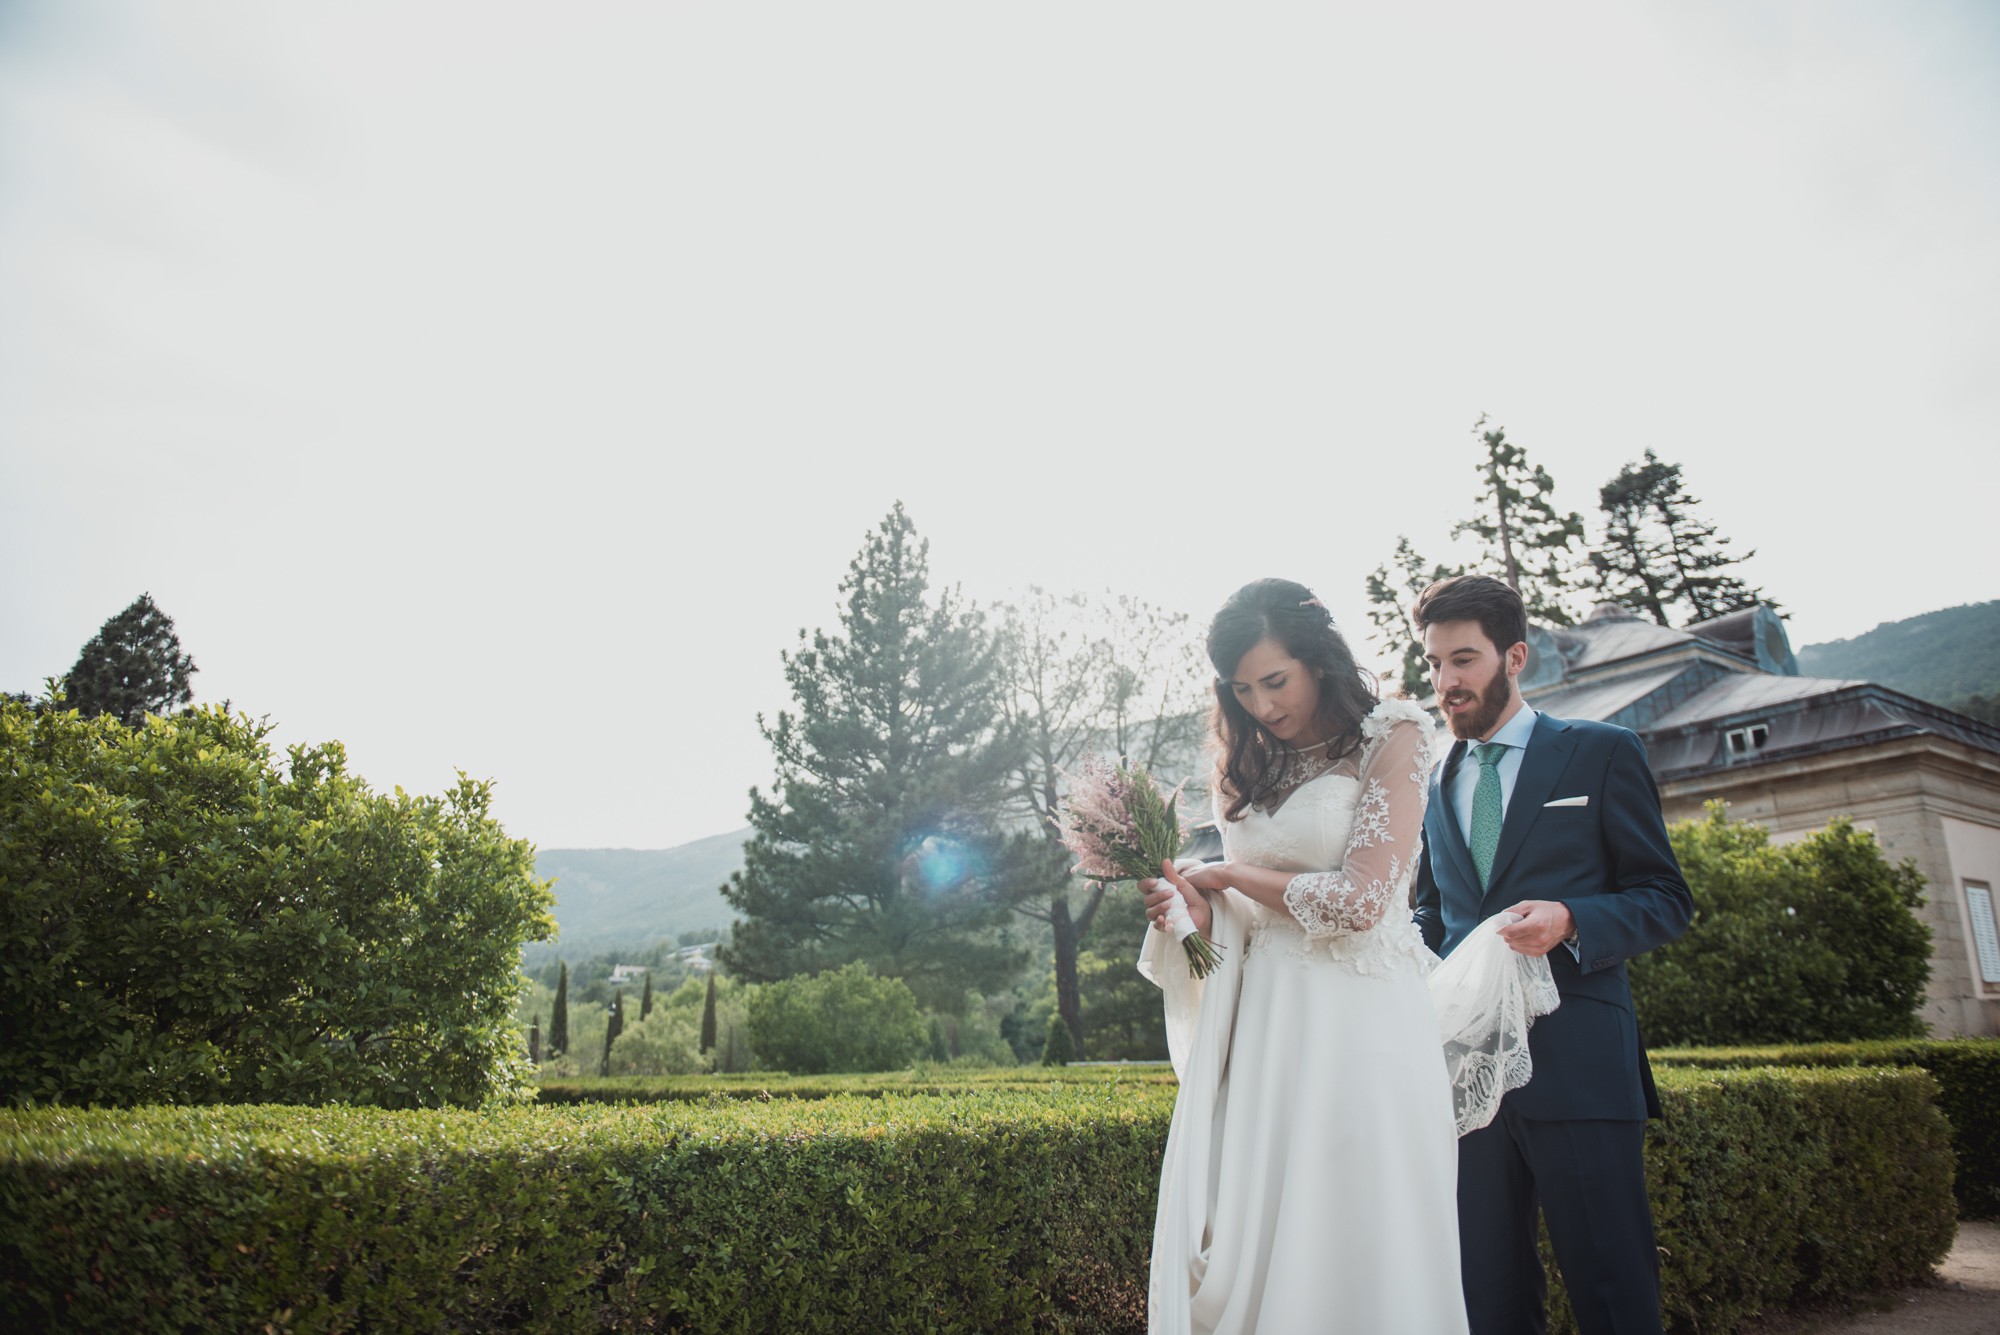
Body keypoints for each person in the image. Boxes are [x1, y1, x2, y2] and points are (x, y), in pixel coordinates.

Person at [1140, 578, 1468, 1335]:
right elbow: (1248, 920)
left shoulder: (1397, 734)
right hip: (1268, 1030)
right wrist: (1195, 910)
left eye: (1275, 680)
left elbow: (1359, 899)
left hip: (1365, 1022)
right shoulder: (1241, 766)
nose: (1261, 704)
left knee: (1363, 1227)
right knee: (1259, 1231)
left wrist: (1221, 874)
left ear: (1318, 658)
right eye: (1242, 687)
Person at [1410, 575, 1693, 1335]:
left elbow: (1666, 897)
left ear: (1516, 655)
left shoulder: (1602, 753)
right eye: (1432, 663)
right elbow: (1430, 912)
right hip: (1468, 1079)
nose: (1445, 681)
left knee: (1612, 1287)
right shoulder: (1432, 781)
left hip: (1583, 1064)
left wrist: (1572, 918)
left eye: (1463, 659)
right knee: (1487, 1294)